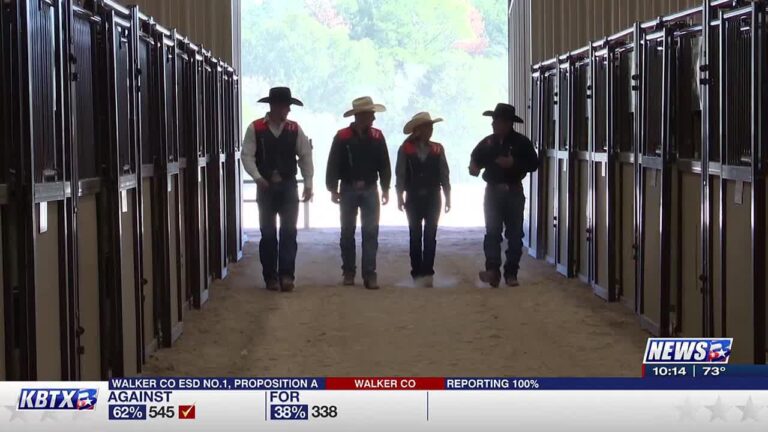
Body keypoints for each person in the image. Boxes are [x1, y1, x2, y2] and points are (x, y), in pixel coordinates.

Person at [241, 87, 313, 292]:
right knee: (268, 233)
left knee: (289, 232)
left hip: (289, 186)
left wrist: (308, 182)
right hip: (266, 187)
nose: (288, 110)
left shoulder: (294, 129)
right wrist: (257, 177)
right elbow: (247, 156)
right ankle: (270, 276)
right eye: (285, 106)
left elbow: (305, 155)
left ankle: (287, 275)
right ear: (275, 106)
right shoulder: (256, 128)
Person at [469, 103, 538, 288]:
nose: (493, 124)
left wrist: (513, 163)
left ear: (507, 123)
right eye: (493, 121)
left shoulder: (522, 143)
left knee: (515, 234)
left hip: (513, 190)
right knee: (492, 232)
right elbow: (475, 158)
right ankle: (492, 270)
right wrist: (474, 167)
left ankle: (511, 272)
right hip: (492, 191)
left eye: (496, 121)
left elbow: (534, 163)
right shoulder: (488, 142)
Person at [326, 96, 391, 290]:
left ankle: (369, 273)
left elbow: (384, 164)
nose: (373, 118)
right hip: (348, 188)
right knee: (348, 232)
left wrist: (386, 186)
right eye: (371, 114)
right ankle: (349, 271)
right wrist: (332, 187)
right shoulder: (342, 137)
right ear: (361, 116)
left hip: (370, 187)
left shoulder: (378, 137)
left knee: (370, 232)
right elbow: (334, 163)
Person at [395, 112, 451, 287]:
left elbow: (444, 174)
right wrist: (399, 195)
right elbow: (400, 174)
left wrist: (448, 195)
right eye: (427, 127)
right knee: (415, 234)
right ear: (417, 130)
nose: (430, 130)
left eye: (431, 127)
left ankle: (428, 272)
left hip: (434, 196)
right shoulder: (405, 149)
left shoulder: (438, 149)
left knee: (430, 234)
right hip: (413, 196)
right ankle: (416, 271)